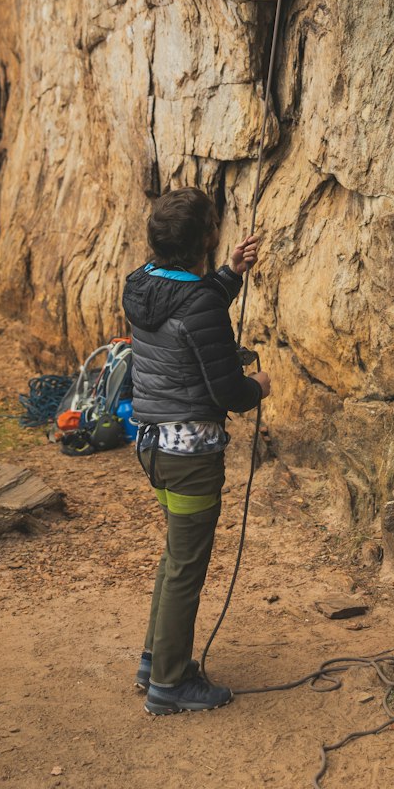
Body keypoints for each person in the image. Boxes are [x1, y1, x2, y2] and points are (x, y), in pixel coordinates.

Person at [122, 187, 271, 716]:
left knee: (175, 556)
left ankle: (154, 659)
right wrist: (259, 387)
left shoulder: (141, 283)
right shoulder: (201, 302)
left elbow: (189, 310)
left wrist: (228, 275)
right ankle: (169, 683)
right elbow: (228, 391)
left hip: (153, 448)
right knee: (187, 565)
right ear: (205, 239)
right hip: (191, 456)